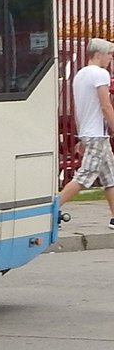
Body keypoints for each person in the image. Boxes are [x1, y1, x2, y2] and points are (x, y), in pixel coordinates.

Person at [59, 37, 114, 228]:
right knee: (85, 176)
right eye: (109, 54)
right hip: (97, 134)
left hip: (89, 132)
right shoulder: (100, 74)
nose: (110, 59)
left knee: (110, 176)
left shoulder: (80, 75)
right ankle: (53, 208)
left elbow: (82, 107)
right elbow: (105, 106)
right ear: (98, 54)